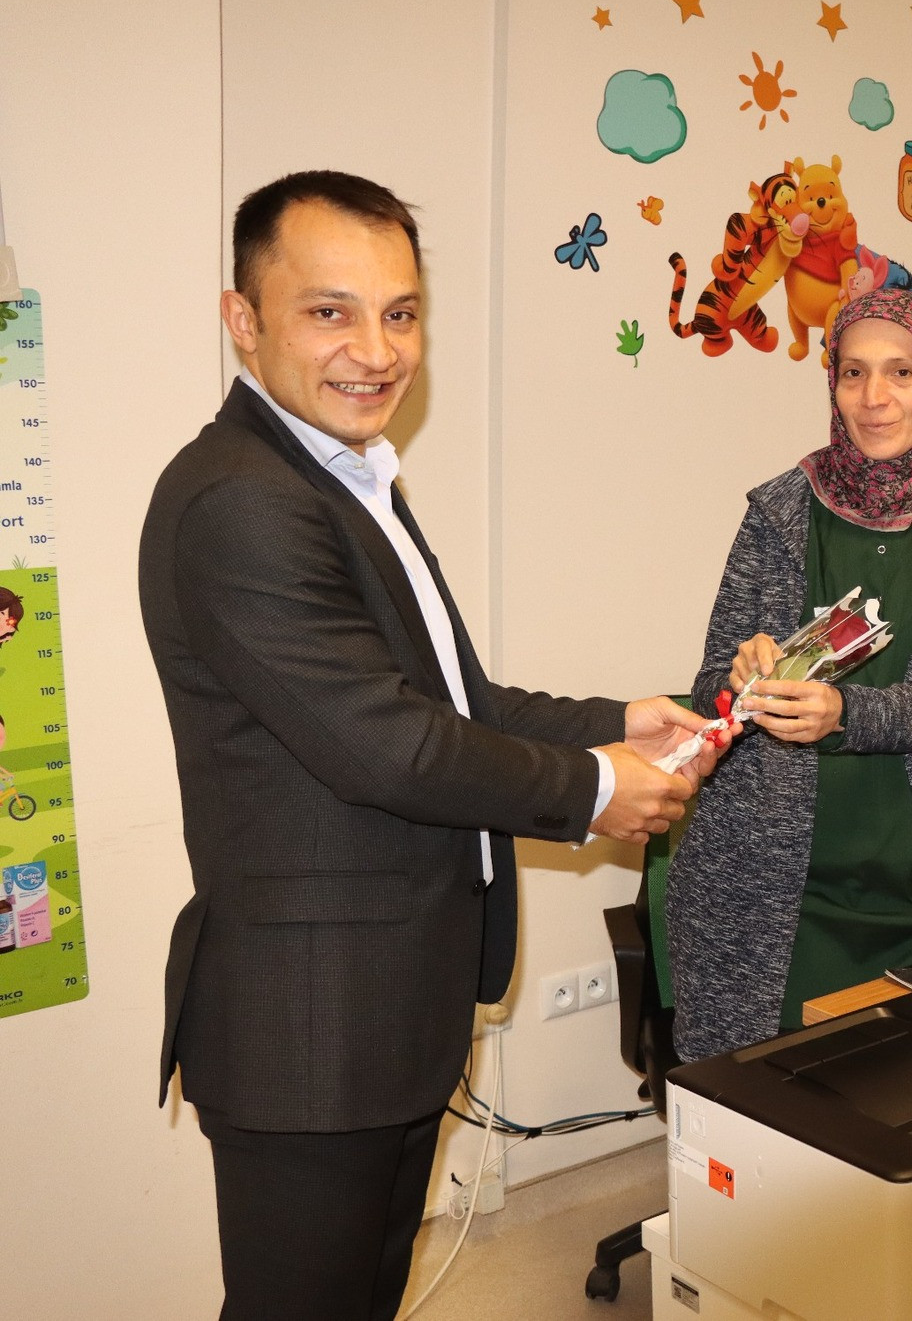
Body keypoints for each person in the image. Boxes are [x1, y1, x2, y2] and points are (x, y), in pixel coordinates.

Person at [139, 171, 724, 1321]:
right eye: (330, 312)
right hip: (311, 1031)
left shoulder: (344, 478)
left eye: (400, 313)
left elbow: (453, 699)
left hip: (385, 1011)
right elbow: (389, 746)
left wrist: (616, 722)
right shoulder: (242, 501)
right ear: (243, 321)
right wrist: (593, 788)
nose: (376, 351)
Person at [667, 288, 912, 1060]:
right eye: (854, 372)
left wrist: (843, 713)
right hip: (779, 894)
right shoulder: (779, 510)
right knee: (771, 1100)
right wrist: (740, 676)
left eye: (902, 372)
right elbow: (709, 693)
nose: (874, 397)